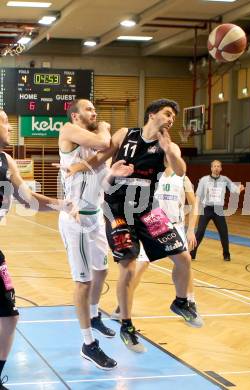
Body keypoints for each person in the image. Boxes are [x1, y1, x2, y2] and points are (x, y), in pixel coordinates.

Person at [66, 98, 203, 354]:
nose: (171, 118)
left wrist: (171, 151)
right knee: (128, 267)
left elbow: (181, 170)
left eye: (173, 115)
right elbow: (102, 155)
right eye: (167, 113)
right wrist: (78, 166)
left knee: (183, 257)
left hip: (148, 210)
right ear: (152, 114)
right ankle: (126, 325)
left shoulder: (168, 146)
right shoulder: (126, 134)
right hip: (117, 209)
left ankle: (181, 302)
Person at [0, 109, 74, 389]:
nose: (10, 126)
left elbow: (27, 198)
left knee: (9, 315)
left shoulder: (6, 161)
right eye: (5, 121)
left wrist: (61, 204)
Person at [58, 99, 133, 370]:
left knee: (101, 271)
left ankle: (94, 315)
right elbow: (104, 143)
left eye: (95, 110)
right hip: (74, 219)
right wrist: (105, 129)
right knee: (84, 282)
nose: (95, 113)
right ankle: (88, 344)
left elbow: (101, 176)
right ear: (76, 116)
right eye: (89, 109)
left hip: (94, 219)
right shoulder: (67, 130)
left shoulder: (94, 148)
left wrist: (112, 172)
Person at [111, 166, 199, 319]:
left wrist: (191, 229)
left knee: (185, 262)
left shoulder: (182, 178)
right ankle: (123, 305)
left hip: (175, 224)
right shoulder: (152, 175)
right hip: (155, 222)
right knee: (140, 265)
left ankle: (190, 302)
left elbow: (195, 204)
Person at [190, 160, 244, 261]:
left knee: (224, 232)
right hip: (207, 209)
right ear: (211, 168)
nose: (216, 168)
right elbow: (198, 195)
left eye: (218, 166)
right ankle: (192, 254)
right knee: (200, 232)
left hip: (218, 210)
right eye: (214, 166)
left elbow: (234, 190)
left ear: (221, 168)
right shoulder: (204, 180)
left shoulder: (225, 180)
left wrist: (239, 189)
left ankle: (226, 254)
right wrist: (196, 207)